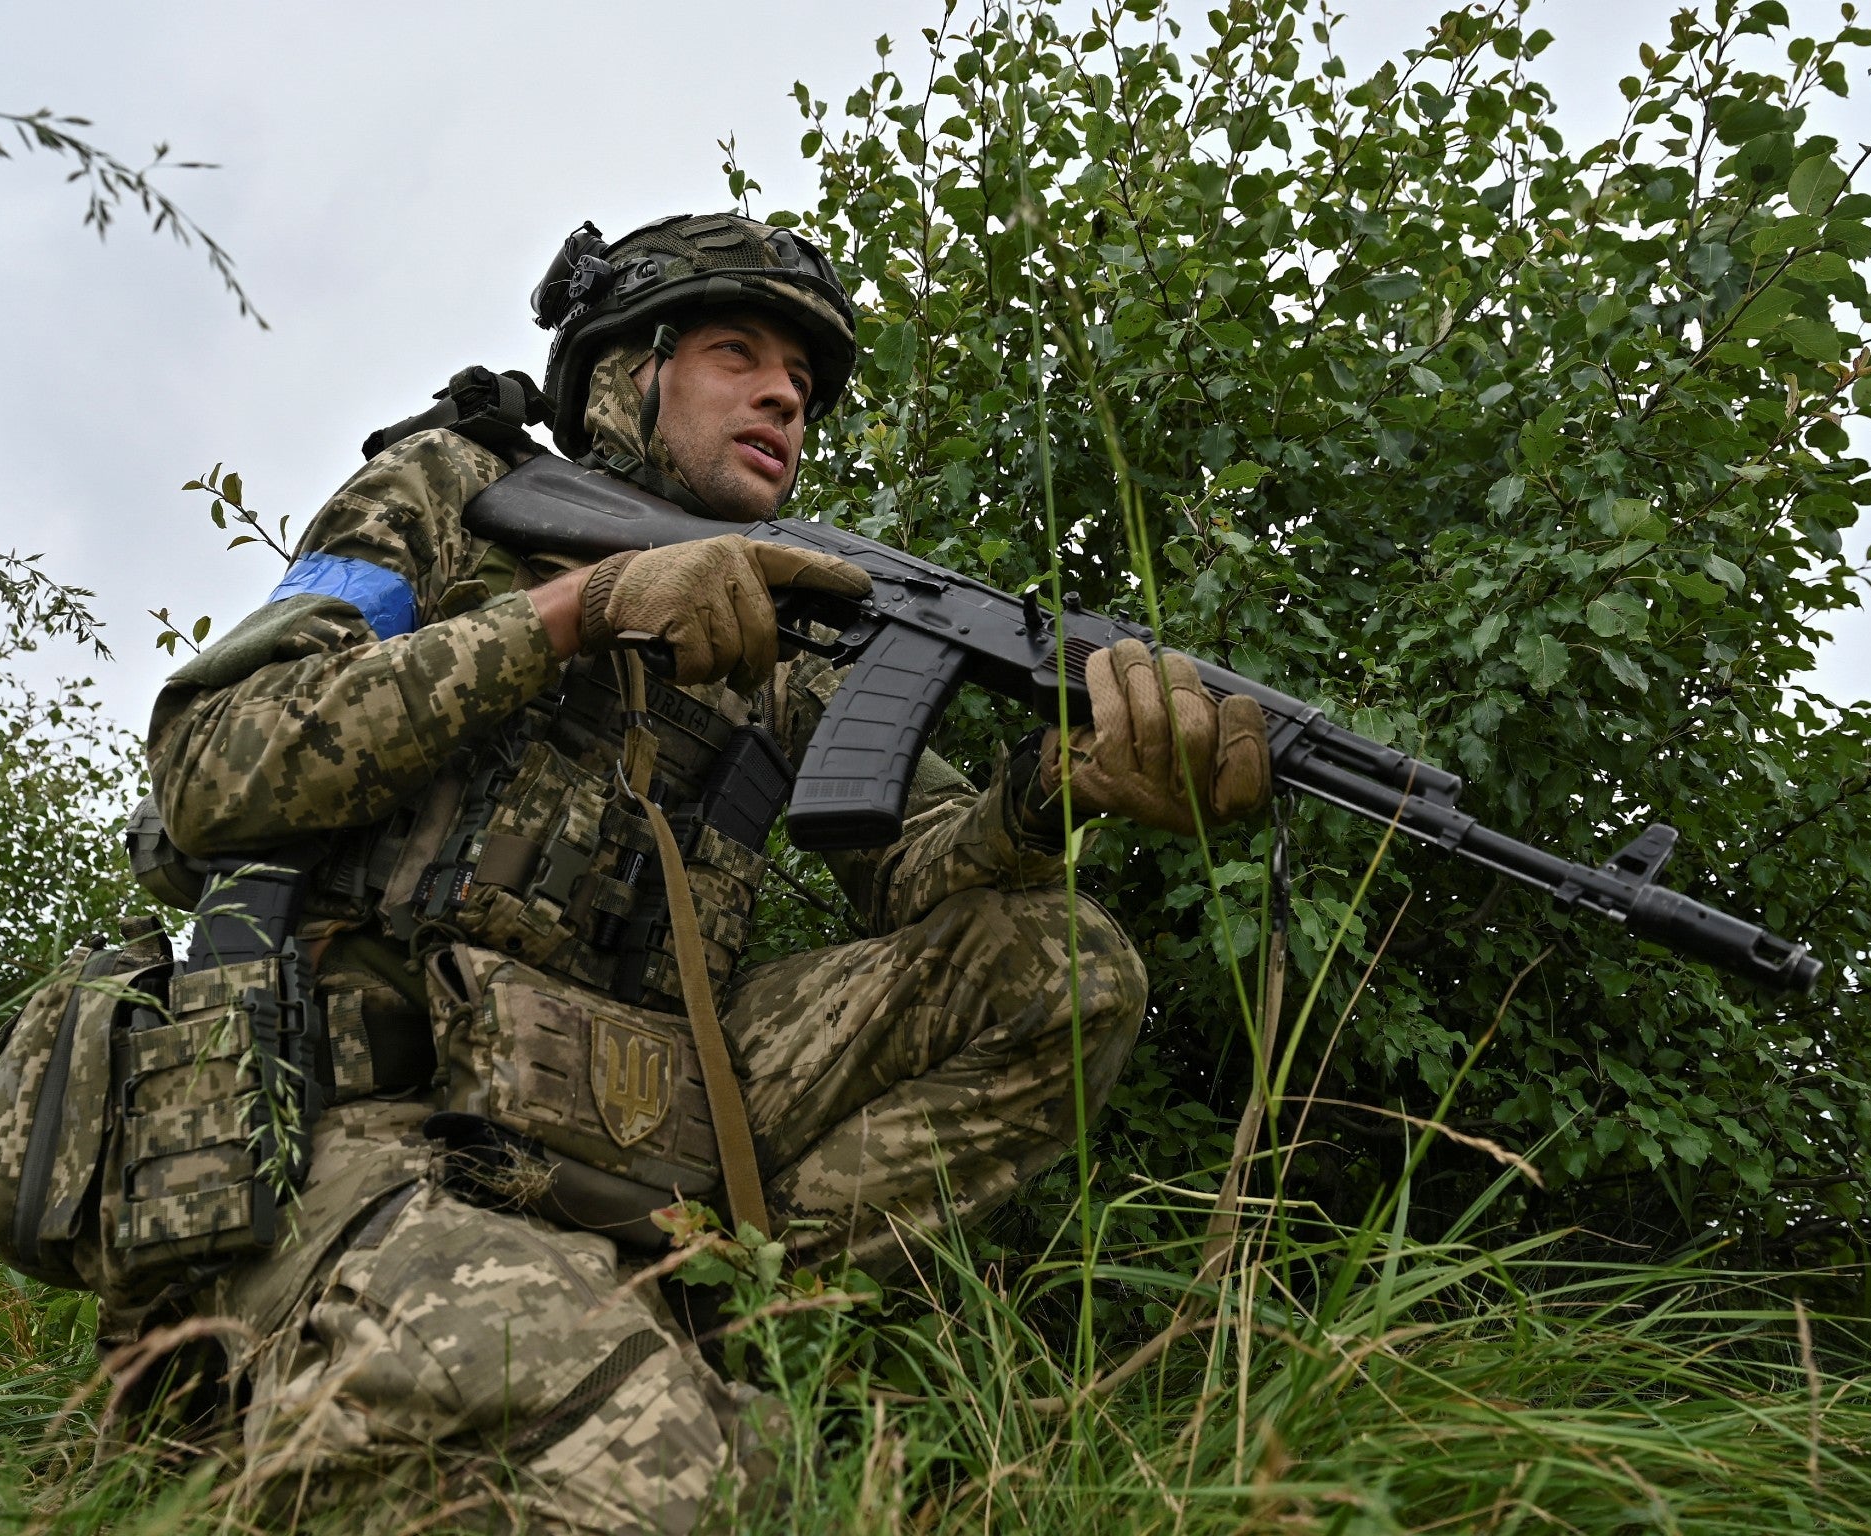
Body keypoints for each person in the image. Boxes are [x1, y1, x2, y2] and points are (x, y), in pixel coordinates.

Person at [143, 212, 1269, 1532]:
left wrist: (1055, 789)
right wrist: (571, 616)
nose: (787, 393)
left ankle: (721, 1322)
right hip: (357, 1132)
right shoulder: (453, 493)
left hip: (624, 1134)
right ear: (630, 371)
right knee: (692, 1490)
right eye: (740, 352)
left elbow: (921, 879)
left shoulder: (798, 636)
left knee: (1058, 967)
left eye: (803, 379)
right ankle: (410, 1388)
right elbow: (210, 765)